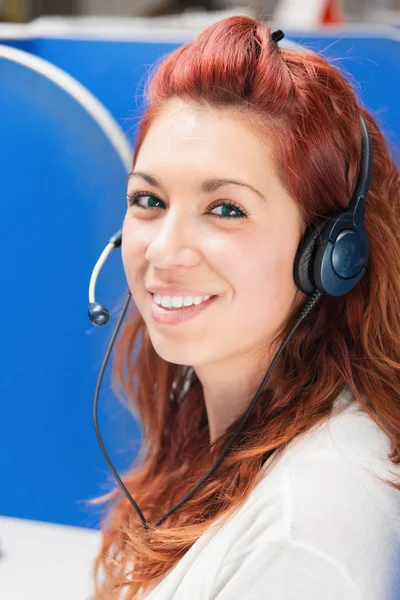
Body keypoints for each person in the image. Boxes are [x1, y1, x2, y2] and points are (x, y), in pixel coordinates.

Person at [91, 15, 400, 600]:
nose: (163, 250)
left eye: (226, 209)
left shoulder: (307, 527)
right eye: (148, 200)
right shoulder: (213, 428)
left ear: (331, 252)